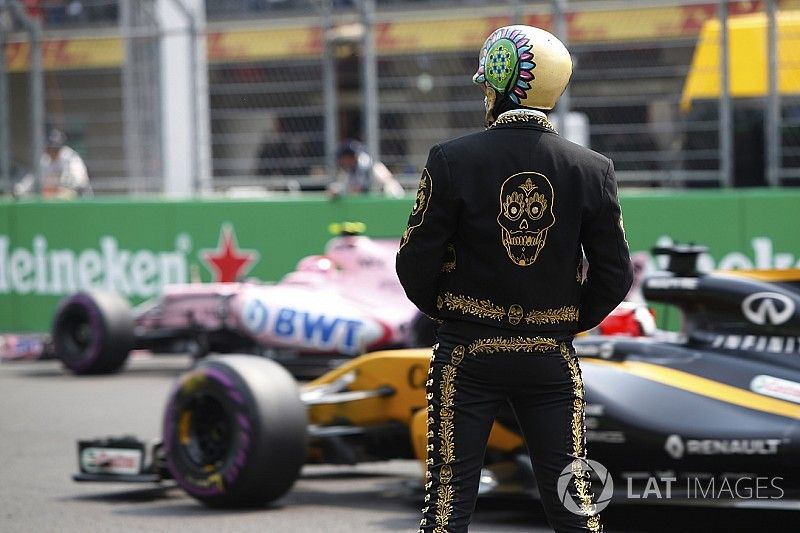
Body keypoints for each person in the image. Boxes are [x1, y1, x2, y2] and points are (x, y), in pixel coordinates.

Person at [396, 25, 633, 533]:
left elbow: (414, 263)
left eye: (488, 82)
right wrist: (565, 318)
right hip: (551, 355)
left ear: (502, 82)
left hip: (468, 352)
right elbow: (614, 276)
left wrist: (453, 311)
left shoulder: (450, 159)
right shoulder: (592, 168)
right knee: (574, 501)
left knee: (446, 505)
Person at [14, 129, 92, 198]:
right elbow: (33, 178)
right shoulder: (45, 160)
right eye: (50, 147)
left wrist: (55, 184)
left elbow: (79, 182)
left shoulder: (71, 158)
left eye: (56, 148)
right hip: (54, 197)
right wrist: (20, 189)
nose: (53, 150)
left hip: (79, 197)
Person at [328, 140, 404, 198]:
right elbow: (342, 187)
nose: (342, 161)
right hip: (371, 199)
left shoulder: (367, 163)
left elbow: (358, 189)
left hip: (384, 196)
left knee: (391, 186)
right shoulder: (348, 170)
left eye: (344, 158)